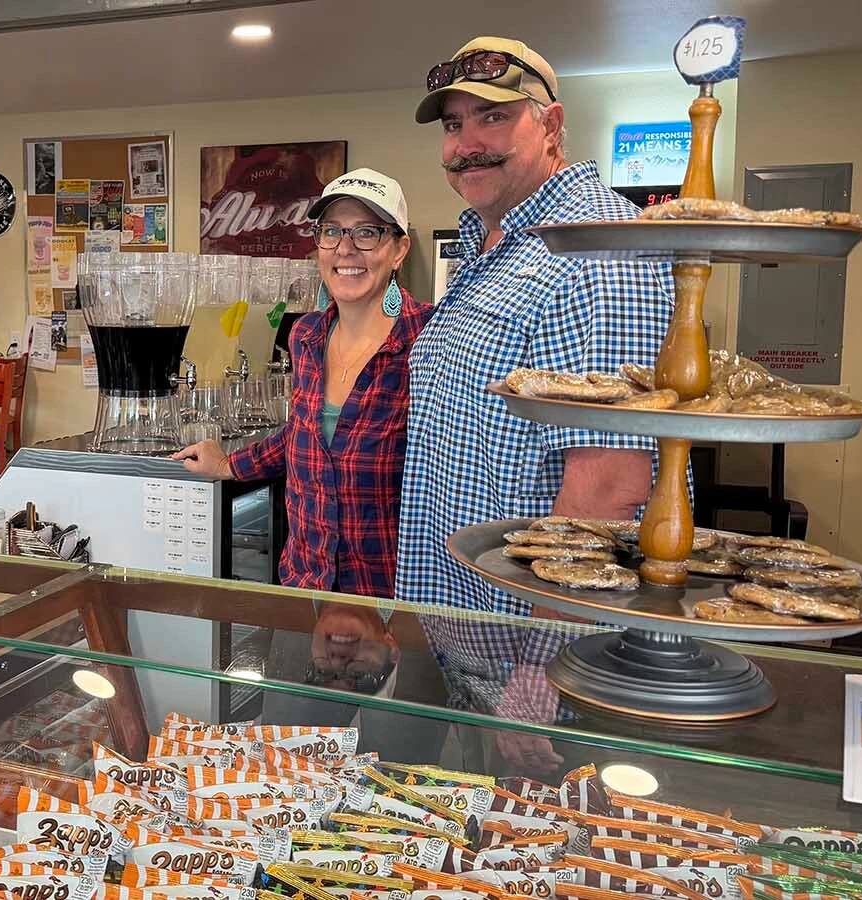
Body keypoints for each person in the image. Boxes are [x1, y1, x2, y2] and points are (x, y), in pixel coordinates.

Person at [399, 38, 675, 771]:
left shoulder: (597, 249)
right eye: (453, 126)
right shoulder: (490, 245)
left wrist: (544, 669)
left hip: (537, 671)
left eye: (492, 117)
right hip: (470, 641)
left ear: (550, 124)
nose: (466, 144)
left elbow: (612, 488)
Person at [175, 168, 431, 599]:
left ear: (399, 249)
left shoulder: (431, 336)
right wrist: (228, 466)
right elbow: (305, 436)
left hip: (392, 596)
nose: (345, 249)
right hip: (305, 585)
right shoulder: (307, 336)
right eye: (331, 232)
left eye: (366, 232)